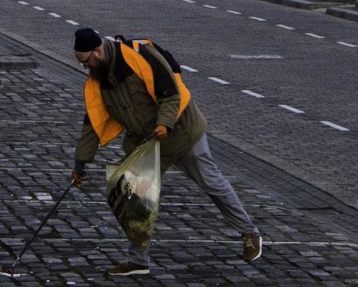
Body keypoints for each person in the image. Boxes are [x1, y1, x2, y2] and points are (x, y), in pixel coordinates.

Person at [70, 27, 262, 277]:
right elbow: (93, 123)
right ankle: (138, 260)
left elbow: (171, 93)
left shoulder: (140, 55)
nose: (86, 67)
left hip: (181, 131)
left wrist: (165, 123)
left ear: (98, 50)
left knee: (212, 183)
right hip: (147, 141)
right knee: (132, 196)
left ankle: (250, 233)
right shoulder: (97, 78)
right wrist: (80, 163)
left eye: (86, 61)